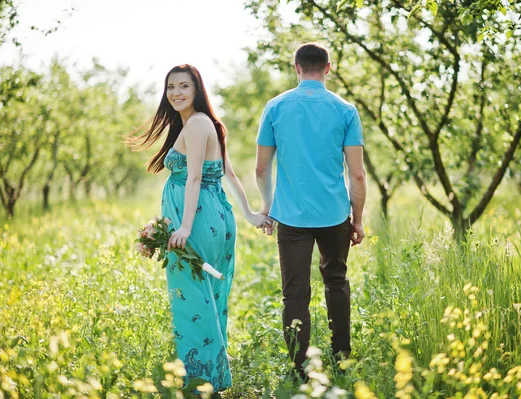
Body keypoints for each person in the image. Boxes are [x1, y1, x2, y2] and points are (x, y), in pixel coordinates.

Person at [129, 64, 270, 392]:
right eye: (170, 87)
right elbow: (229, 174)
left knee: (193, 299)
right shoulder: (209, 124)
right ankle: (211, 379)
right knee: (209, 296)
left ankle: (200, 383)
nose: (176, 93)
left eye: (184, 87)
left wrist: (185, 227)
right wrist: (248, 214)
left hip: (198, 222)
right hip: (215, 220)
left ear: (197, 90)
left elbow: (194, 177)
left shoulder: (196, 125)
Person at [255, 43, 367, 379]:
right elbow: (357, 173)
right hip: (335, 216)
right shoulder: (345, 110)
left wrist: (268, 207)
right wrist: (357, 218)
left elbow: (262, 170)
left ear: (296, 67)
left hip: (291, 217)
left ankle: (298, 368)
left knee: (295, 293)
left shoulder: (275, 107)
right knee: (336, 282)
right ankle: (342, 359)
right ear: (328, 68)